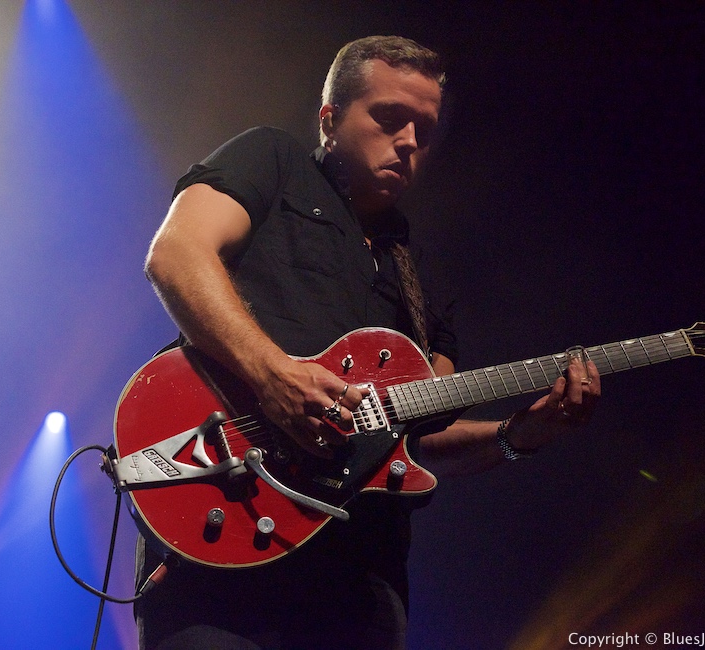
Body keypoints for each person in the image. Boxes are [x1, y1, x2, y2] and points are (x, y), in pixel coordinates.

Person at [136, 35, 600, 650]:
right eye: (389, 118)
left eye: (424, 131)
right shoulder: (272, 161)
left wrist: (521, 434)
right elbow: (176, 253)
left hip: (358, 583)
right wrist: (273, 375)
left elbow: (414, 441)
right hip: (223, 531)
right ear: (330, 120)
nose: (409, 142)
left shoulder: (420, 275)